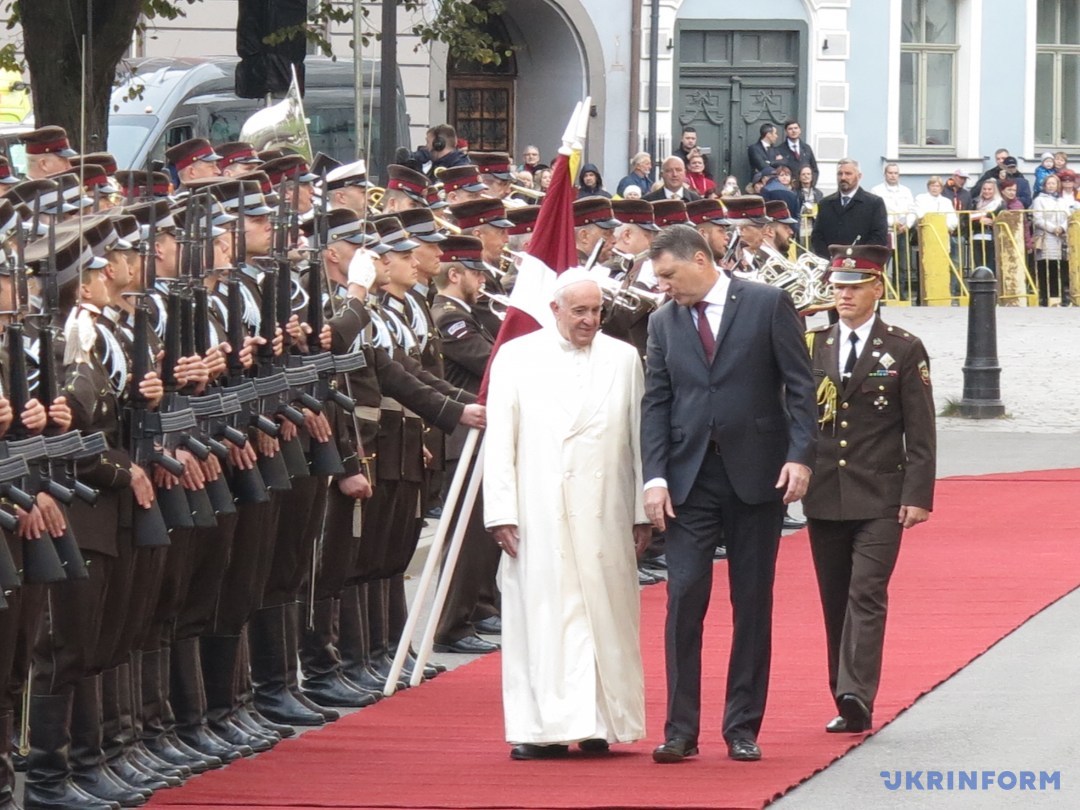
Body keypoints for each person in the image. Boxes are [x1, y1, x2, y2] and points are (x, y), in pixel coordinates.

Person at [640, 225, 817, 764]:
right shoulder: (662, 322)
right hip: (690, 481)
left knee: (751, 602)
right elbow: (657, 402)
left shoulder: (766, 303)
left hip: (757, 476)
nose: (665, 287)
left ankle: (742, 726)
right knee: (683, 597)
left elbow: (800, 384)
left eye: (669, 275)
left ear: (700, 259)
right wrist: (654, 477)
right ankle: (680, 729)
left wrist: (800, 454)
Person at [484, 270, 650, 761]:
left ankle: (602, 722)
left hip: (606, 509)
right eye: (579, 311)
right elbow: (501, 440)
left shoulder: (623, 358)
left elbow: (639, 438)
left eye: (597, 311)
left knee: (606, 616)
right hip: (540, 509)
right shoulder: (517, 356)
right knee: (546, 616)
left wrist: (642, 509)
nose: (590, 320)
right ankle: (543, 728)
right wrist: (501, 511)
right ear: (554, 309)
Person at [803, 244, 936, 734]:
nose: (844, 295)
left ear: (877, 289)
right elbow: (795, 416)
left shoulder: (902, 347)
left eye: (855, 286)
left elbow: (920, 429)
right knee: (834, 596)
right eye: (838, 286)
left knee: (867, 591)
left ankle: (858, 692)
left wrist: (918, 494)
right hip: (825, 493)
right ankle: (842, 694)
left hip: (881, 494)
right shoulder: (814, 345)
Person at [811, 159, 889, 260]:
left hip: (862, 266)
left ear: (859, 176)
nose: (843, 177)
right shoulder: (825, 204)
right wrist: (829, 258)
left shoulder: (874, 203)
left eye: (848, 174)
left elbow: (879, 237)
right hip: (831, 265)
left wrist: (857, 257)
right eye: (840, 174)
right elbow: (817, 236)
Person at [870, 163, 917, 295]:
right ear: (885, 174)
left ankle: (901, 294)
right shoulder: (877, 190)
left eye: (895, 173)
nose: (893, 176)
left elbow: (912, 210)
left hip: (903, 231)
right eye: (890, 173)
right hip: (886, 232)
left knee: (902, 264)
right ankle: (882, 294)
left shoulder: (906, 191)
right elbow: (877, 212)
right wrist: (892, 222)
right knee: (883, 263)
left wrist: (907, 224)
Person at [1031, 173, 1072, 306]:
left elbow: (1068, 216)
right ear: (1044, 185)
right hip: (1046, 237)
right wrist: (1053, 228)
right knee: (1046, 267)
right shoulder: (1039, 200)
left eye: (1053, 183)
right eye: (1048, 183)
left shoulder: (1062, 200)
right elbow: (1038, 219)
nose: (1051, 186)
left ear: (1057, 185)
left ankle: (1060, 296)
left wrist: (1062, 227)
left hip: (1061, 238)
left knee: (1060, 268)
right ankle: (1045, 296)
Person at [968, 179, 1004, 272]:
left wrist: (992, 220)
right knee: (979, 266)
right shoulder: (976, 202)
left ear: (994, 190)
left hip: (992, 238)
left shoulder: (1000, 203)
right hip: (977, 237)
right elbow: (969, 219)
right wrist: (980, 221)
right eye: (984, 189)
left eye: (989, 189)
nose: (986, 191)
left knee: (991, 266)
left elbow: (1000, 219)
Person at [778, 119, 818, 183]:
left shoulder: (807, 148)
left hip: (805, 187)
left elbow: (814, 169)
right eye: (790, 129)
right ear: (786, 131)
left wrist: (811, 184)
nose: (793, 131)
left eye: (796, 128)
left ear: (800, 130)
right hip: (788, 188)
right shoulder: (779, 150)